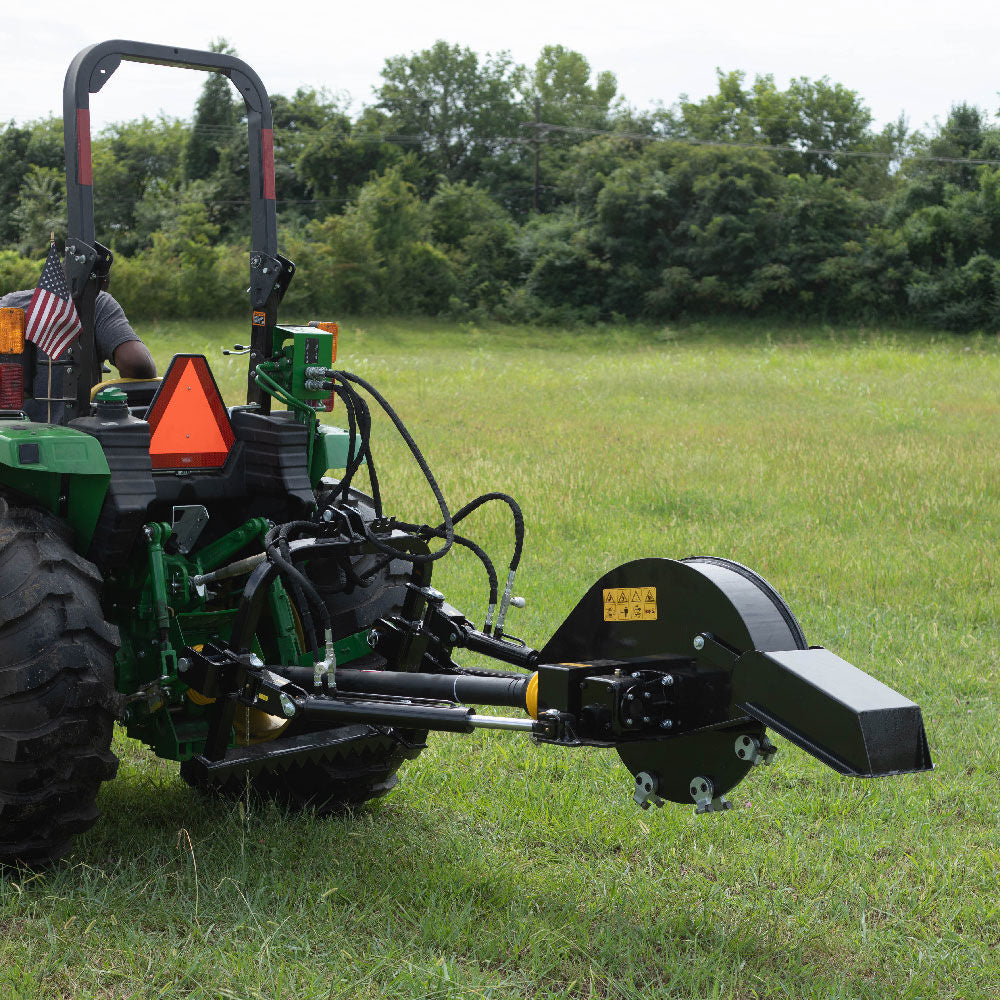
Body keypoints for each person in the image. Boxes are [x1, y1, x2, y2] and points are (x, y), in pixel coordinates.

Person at [0, 286, 155, 422]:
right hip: (79, 441)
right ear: (102, 278)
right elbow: (136, 363)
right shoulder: (97, 302)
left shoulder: (8, 304)